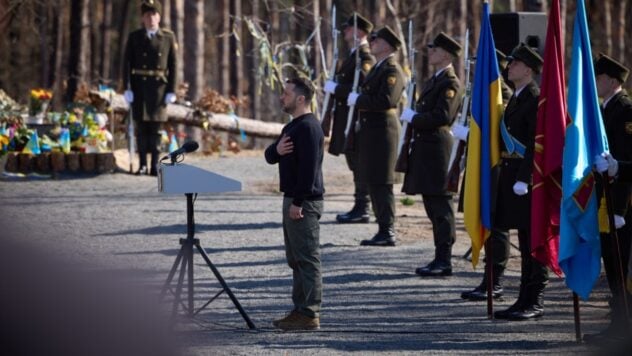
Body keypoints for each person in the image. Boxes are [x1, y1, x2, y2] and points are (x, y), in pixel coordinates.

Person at [487, 44, 548, 320]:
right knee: (524, 241)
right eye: (510, 62)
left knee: (534, 241)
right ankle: (523, 298)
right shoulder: (518, 97)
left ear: (529, 69)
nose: (509, 66)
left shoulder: (535, 98)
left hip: (528, 180)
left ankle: (535, 300)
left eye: (515, 63)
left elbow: (538, 143)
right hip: (513, 176)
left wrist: (525, 177)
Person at [398, 32, 462, 276]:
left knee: (441, 207)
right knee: (431, 206)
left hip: (438, 150)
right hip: (426, 149)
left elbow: (442, 117)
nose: (431, 53)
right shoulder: (434, 79)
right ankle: (438, 257)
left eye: (435, 50)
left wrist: (415, 118)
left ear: (446, 54)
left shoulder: (450, 83)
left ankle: (444, 260)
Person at [265, 77, 325, 331]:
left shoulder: (309, 128)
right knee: (295, 258)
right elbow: (270, 156)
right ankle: (300, 309)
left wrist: (298, 202)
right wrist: (277, 151)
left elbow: (309, 171)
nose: (282, 97)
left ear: (301, 99)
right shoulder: (293, 126)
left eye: (286, 93)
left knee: (307, 258)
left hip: (304, 202)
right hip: (292, 198)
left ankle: (310, 313)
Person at [584, 54, 632, 344]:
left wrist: (619, 209)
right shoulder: (605, 109)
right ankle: (618, 323)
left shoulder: (625, 111)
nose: (595, 83)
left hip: (619, 206)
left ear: (612, 81)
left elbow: (626, 160)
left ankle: (623, 328)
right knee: (611, 266)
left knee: (620, 266)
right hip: (604, 201)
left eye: (599, 78)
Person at [459, 49, 513, 298]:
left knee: (497, 226)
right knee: (485, 220)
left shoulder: (501, 94)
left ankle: (496, 280)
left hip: (496, 169)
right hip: (480, 167)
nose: (472, 70)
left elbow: (498, 137)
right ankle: (487, 279)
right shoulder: (479, 93)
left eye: (477, 65)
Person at [347, 27, 406, 246]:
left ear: (388, 46)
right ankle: (382, 228)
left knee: (383, 182)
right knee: (373, 180)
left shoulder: (392, 70)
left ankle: (388, 230)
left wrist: (359, 100)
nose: (372, 42)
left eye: (377, 40)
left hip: (384, 132)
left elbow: (386, 101)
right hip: (372, 131)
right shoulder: (378, 67)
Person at [322, 13, 375, 224]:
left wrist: (337, 88)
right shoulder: (353, 55)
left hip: (356, 120)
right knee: (354, 163)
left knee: (360, 163)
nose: (345, 32)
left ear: (360, 32)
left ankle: (363, 206)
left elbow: (362, 86)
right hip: (347, 117)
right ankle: (360, 204)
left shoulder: (365, 57)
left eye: (349, 29)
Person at [123, 0, 177, 176]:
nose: (151, 18)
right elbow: (126, 64)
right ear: (142, 18)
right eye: (147, 15)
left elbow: (173, 65)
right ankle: (143, 165)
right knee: (141, 129)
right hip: (139, 87)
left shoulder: (168, 37)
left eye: (154, 15)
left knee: (156, 130)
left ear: (159, 17)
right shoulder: (135, 37)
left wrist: (171, 90)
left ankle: (155, 165)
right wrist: (127, 88)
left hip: (159, 90)